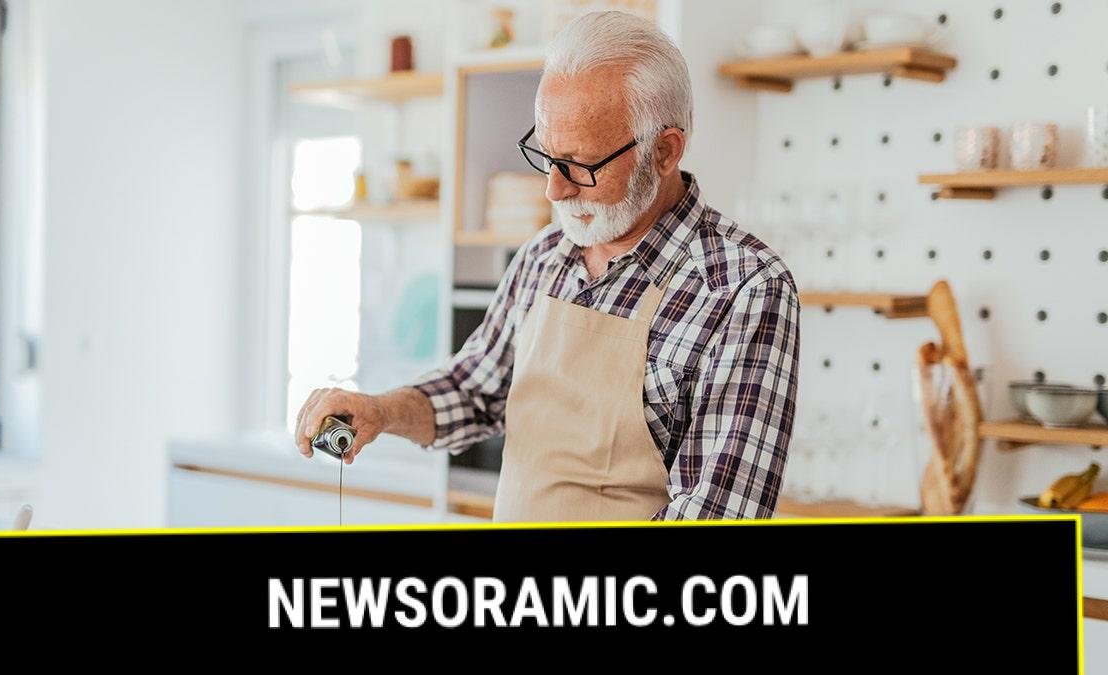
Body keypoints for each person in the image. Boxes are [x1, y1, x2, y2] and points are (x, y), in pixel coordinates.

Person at [295, 10, 800, 521]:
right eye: (545, 155)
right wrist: (381, 412)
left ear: (664, 151)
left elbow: (718, 509)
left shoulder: (744, 287)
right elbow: (474, 390)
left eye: (580, 166)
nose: (554, 189)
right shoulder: (545, 255)